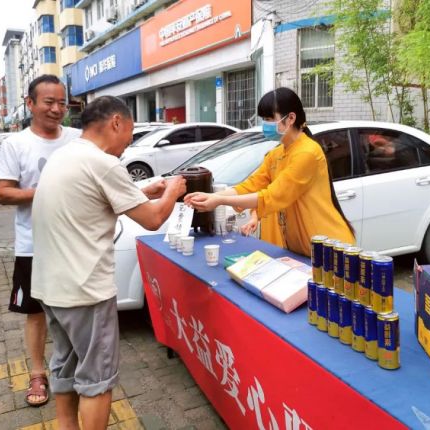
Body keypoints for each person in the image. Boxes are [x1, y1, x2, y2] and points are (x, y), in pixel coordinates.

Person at [31, 95, 186, 430]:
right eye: (128, 136)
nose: (126, 147)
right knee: (97, 381)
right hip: (86, 291)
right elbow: (154, 220)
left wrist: (146, 188)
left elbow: (95, 199)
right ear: (116, 122)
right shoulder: (103, 163)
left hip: (50, 287)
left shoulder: (68, 155)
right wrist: (172, 189)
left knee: (66, 369)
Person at [0, 74, 82, 407]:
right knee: (36, 313)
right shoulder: (16, 144)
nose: (57, 109)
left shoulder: (77, 138)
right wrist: (43, 192)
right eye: (49, 102)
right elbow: (3, 193)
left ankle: (73, 366)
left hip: (74, 243)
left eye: (62, 102)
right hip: (34, 245)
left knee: (75, 307)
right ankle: (36, 371)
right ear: (30, 104)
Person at [184, 87, 355, 256]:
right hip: (302, 250)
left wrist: (220, 200)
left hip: (329, 249)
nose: (265, 125)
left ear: (290, 119)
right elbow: (251, 185)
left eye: (269, 118)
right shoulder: (276, 154)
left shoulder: (307, 153)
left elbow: (273, 195)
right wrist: (213, 196)